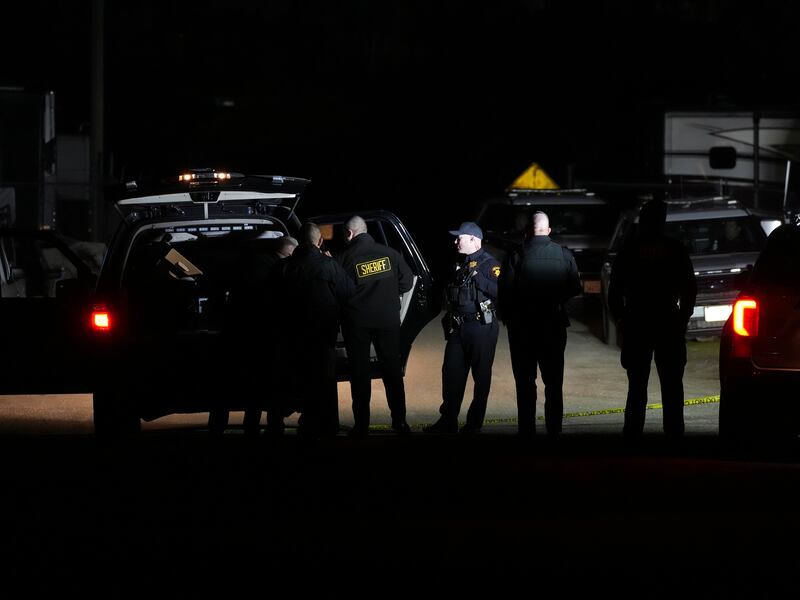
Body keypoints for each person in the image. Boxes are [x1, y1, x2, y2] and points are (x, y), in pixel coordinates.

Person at [608, 198, 697, 440]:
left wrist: (621, 319)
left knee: (636, 386)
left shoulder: (629, 249)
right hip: (667, 320)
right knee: (672, 387)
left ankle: (633, 435)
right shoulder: (676, 248)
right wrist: (682, 318)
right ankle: (674, 434)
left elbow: (614, 289)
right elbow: (690, 288)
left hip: (638, 321)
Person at [268, 222, 356, 443]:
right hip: (322, 337)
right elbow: (348, 294)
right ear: (319, 241)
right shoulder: (330, 266)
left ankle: (276, 425)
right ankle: (320, 425)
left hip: (289, 338)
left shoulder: (282, 267)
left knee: (287, 380)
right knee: (322, 382)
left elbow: (269, 300)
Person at [497, 211, 582, 438]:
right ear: (549, 230)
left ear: (527, 231)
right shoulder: (564, 254)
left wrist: (509, 318)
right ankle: (554, 428)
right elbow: (575, 287)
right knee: (554, 382)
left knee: (525, 383)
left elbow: (504, 292)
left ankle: (527, 430)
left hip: (523, 328)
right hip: (553, 326)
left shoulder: (516, 255)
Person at [336, 215, 414, 438]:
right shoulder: (390, 253)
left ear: (349, 234)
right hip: (387, 321)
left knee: (359, 373)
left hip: (356, 323)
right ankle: (399, 422)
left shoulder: (344, 257)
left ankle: (361, 425)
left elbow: (340, 291)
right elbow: (407, 283)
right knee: (392, 371)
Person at [423, 221, 501, 435]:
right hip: (458, 327)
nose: (455, 241)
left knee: (481, 376)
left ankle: (474, 423)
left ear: (474, 240)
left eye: (460, 237)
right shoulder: (459, 262)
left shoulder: (489, 264)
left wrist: (478, 280)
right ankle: (448, 420)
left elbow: (503, 292)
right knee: (451, 374)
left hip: (481, 326)